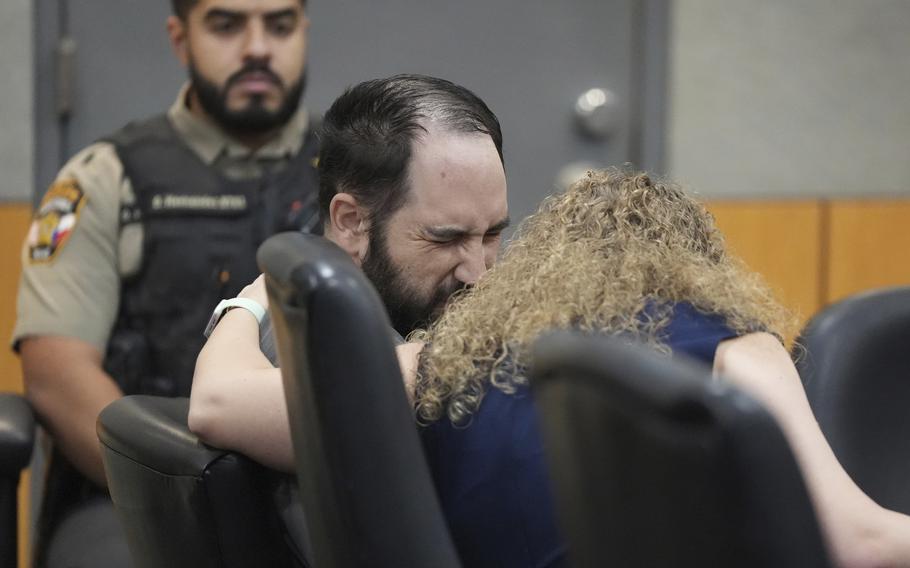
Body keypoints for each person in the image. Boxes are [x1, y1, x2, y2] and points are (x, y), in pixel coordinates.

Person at [199, 168, 910, 568]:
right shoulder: (731, 349)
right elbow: (859, 542)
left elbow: (218, 403)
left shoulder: (439, 365)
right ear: (697, 267)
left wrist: (251, 302)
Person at [13, 0, 317, 565]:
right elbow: (57, 373)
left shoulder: (358, 176)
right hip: (135, 498)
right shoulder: (105, 178)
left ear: (304, 30)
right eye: (227, 25)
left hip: (316, 493)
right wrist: (179, 489)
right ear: (180, 39)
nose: (257, 47)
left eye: (279, 25)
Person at [191, 73, 510, 460]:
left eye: (492, 235)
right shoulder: (329, 340)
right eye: (445, 239)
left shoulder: (274, 313)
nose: (478, 274)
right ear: (351, 221)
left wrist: (245, 306)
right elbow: (214, 406)